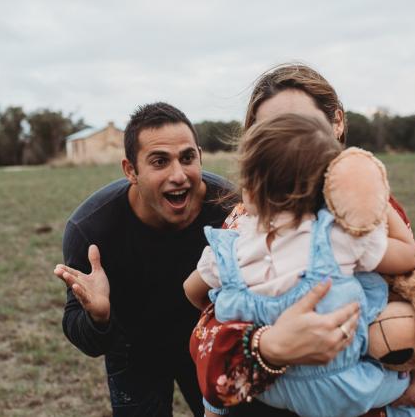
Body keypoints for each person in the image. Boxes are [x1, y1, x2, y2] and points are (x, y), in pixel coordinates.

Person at [53, 101, 363, 417]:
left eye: (187, 158)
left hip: (209, 342)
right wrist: (99, 318)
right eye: (159, 161)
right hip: (133, 349)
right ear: (130, 170)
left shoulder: (231, 210)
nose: (178, 175)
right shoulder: (91, 229)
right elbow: (86, 340)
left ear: (200, 155)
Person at [188, 63, 415, 417]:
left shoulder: (371, 210)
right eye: (269, 130)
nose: (287, 143)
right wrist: (268, 345)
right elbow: (205, 332)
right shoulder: (242, 223)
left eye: (300, 125)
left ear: (336, 123)